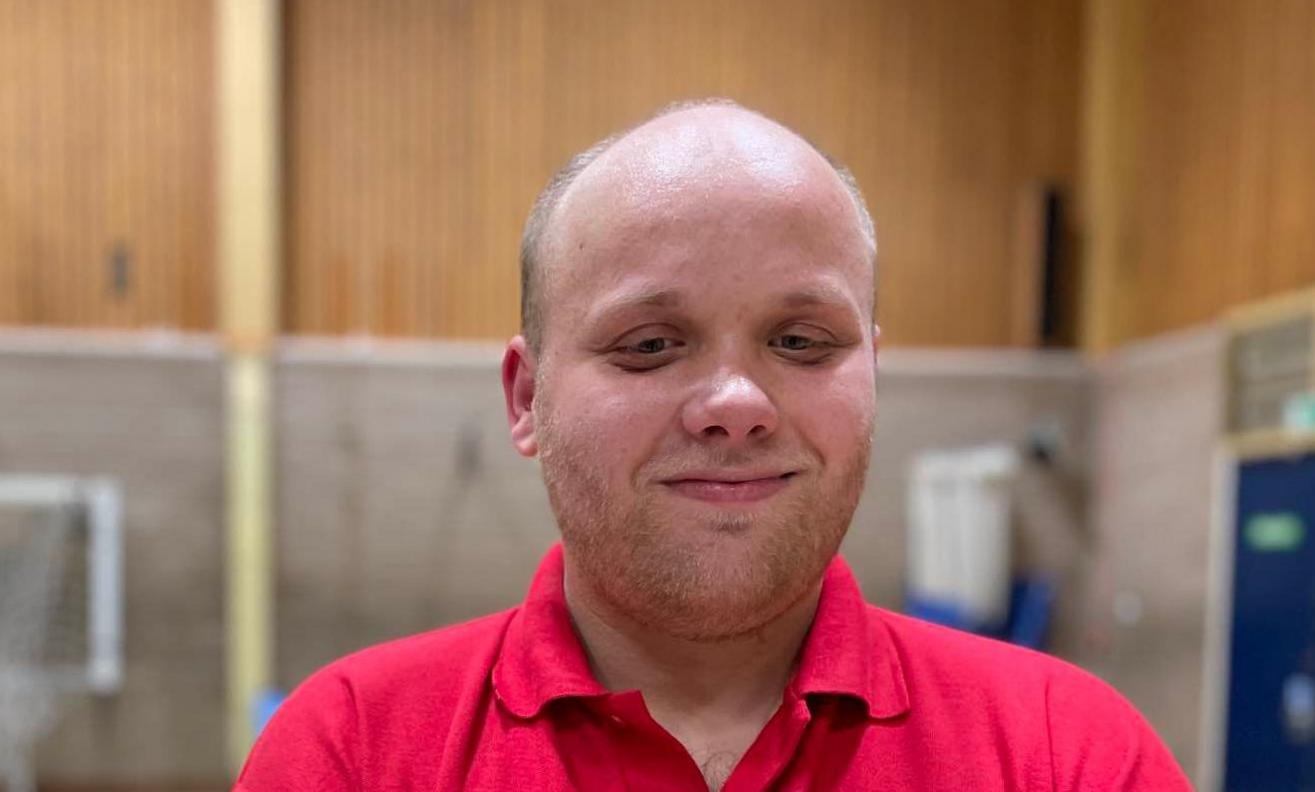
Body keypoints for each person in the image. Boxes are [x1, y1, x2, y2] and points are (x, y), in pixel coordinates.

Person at [235, 99, 1191, 791]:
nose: (736, 405)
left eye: (801, 343)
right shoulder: (351, 753)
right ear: (527, 397)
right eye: (650, 346)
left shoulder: (1069, 757)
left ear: (872, 378)